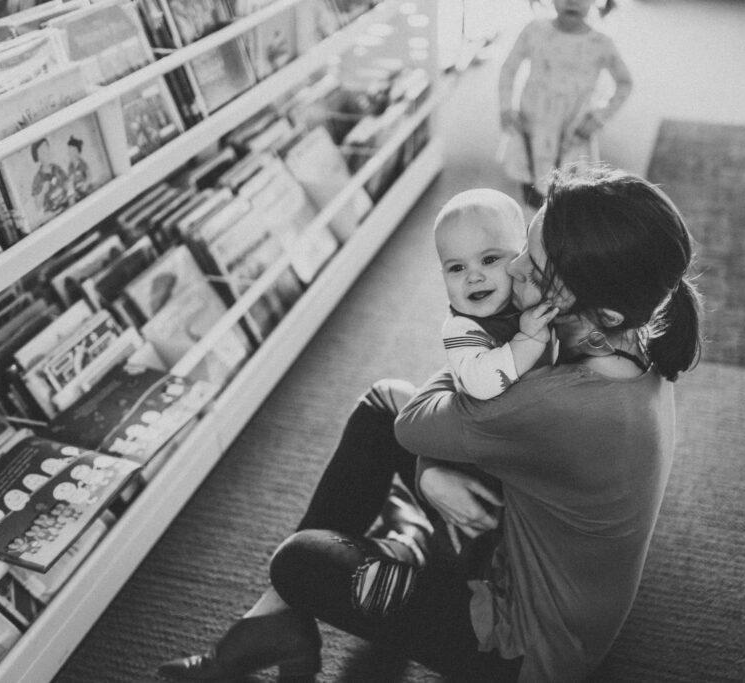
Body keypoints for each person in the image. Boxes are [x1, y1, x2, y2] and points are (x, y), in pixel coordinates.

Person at [157, 163, 702, 683]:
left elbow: (414, 425)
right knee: (383, 400)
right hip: (530, 542)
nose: (510, 269)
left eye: (531, 269)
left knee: (299, 563)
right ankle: (287, 612)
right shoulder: (638, 336)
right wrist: (431, 467)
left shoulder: (558, 403)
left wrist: (466, 339)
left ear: (599, 310)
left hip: (524, 650)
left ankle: (398, 552)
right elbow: (434, 414)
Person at [498, 0, 633, 207]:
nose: (572, 2)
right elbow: (509, 68)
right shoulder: (534, 30)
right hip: (534, 125)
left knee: (569, 196)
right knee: (532, 190)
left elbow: (625, 83)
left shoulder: (601, 43)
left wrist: (599, 117)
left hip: (572, 131)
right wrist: (506, 107)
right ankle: (536, 229)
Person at [435, 187, 558, 401]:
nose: (473, 277)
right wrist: (530, 338)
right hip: (484, 426)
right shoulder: (461, 329)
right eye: (456, 268)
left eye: (489, 260)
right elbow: (481, 384)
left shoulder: (524, 293)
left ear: (522, 254)